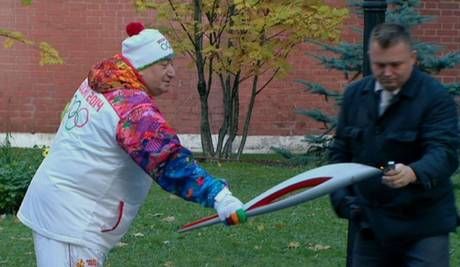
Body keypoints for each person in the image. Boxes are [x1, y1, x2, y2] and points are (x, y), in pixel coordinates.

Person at [17, 22, 247, 267]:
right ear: (142, 66)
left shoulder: (100, 82)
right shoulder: (130, 108)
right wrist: (218, 196)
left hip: (63, 208)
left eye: (171, 62)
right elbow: (168, 161)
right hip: (72, 222)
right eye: (163, 64)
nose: (172, 72)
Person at [329, 23, 460, 267]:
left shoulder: (435, 97)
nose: (387, 72)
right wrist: (343, 202)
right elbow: (340, 153)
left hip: (424, 225)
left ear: (413, 59)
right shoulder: (355, 96)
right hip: (371, 224)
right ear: (370, 58)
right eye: (380, 65)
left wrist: (413, 172)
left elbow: (444, 151)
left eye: (396, 65)